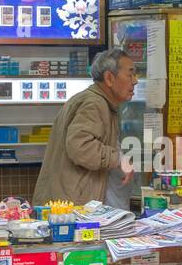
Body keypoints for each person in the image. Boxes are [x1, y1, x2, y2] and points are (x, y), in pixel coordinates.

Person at [32, 49, 137, 206]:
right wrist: (119, 159)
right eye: (130, 74)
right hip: (72, 208)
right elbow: (80, 147)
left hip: (71, 203)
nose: (135, 81)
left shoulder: (97, 102)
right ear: (109, 78)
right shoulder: (94, 104)